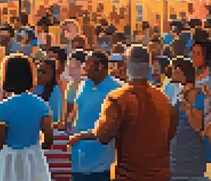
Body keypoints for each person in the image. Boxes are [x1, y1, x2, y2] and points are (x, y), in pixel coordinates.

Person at [68, 45, 179, 181]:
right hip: (159, 174)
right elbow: (171, 134)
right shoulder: (164, 101)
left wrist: (81, 136)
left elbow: (103, 135)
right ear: (150, 67)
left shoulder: (118, 98)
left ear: (127, 65)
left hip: (128, 175)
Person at [0, 54, 53, 181]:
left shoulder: (3, 107)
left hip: (10, 159)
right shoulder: (42, 105)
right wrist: (33, 147)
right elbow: (48, 140)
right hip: (34, 158)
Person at [69, 52, 122, 181]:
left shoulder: (117, 89)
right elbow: (76, 113)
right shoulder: (83, 86)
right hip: (79, 160)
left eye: (88, 64)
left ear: (99, 66)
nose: (85, 68)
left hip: (103, 164)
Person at [168, 57, 206, 180]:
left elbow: (197, 125)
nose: (172, 73)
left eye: (175, 70)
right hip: (176, 157)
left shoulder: (198, 95)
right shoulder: (177, 93)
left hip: (192, 157)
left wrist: (188, 108)